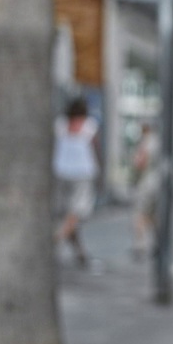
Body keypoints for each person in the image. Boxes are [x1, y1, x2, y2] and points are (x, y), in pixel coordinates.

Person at [53, 96, 100, 268]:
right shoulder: (89, 125)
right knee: (77, 213)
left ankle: (80, 252)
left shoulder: (60, 125)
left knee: (68, 215)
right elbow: (95, 147)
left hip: (60, 170)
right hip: (82, 172)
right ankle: (54, 241)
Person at [130, 121, 160, 260]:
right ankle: (157, 243)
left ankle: (139, 245)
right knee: (153, 216)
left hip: (146, 183)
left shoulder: (146, 141)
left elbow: (140, 162)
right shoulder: (159, 140)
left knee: (140, 214)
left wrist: (134, 168)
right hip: (157, 183)